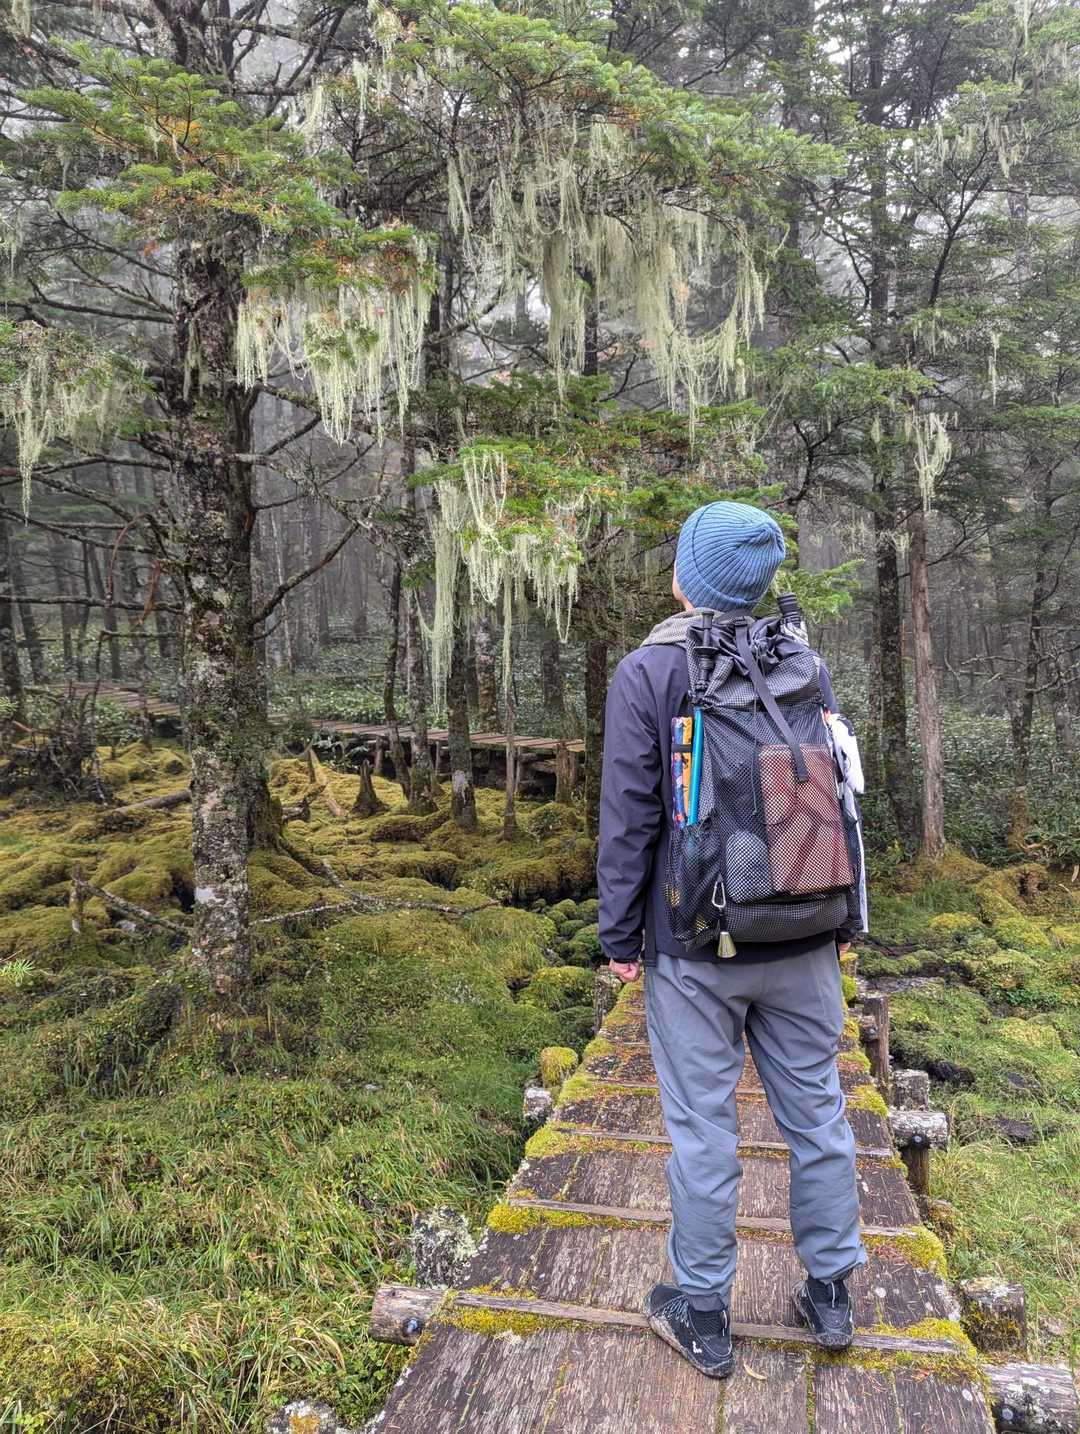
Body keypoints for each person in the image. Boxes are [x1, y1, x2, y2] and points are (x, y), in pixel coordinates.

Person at [596, 499, 867, 1379]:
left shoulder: (649, 671)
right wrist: (846, 918)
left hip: (695, 944)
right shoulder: (804, 662)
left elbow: (630, 817)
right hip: (806, 930)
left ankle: (704, 1310)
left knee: (703, 1128)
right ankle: (831, 1294)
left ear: (687, 576)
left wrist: (619, 934)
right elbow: (837, 797)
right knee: (818, 1116)